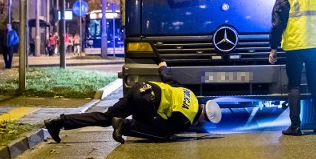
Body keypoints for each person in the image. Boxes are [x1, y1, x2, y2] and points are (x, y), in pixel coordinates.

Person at [44, 61, 221, 143]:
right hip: (146, 102)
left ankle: (58, 122)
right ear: (205, 118)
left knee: (106, 117)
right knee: (165, 134)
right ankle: (125, 125)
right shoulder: (186, 119)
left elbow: (168, 79)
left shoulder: (188, 92)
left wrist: (162, 66)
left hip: (140, 88)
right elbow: (165, 126)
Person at [269, 0, 316, 136]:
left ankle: (295, 126)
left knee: (294, 85)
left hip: (295, 45)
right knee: (315, 84)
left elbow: (278, 22)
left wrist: (273, 47)